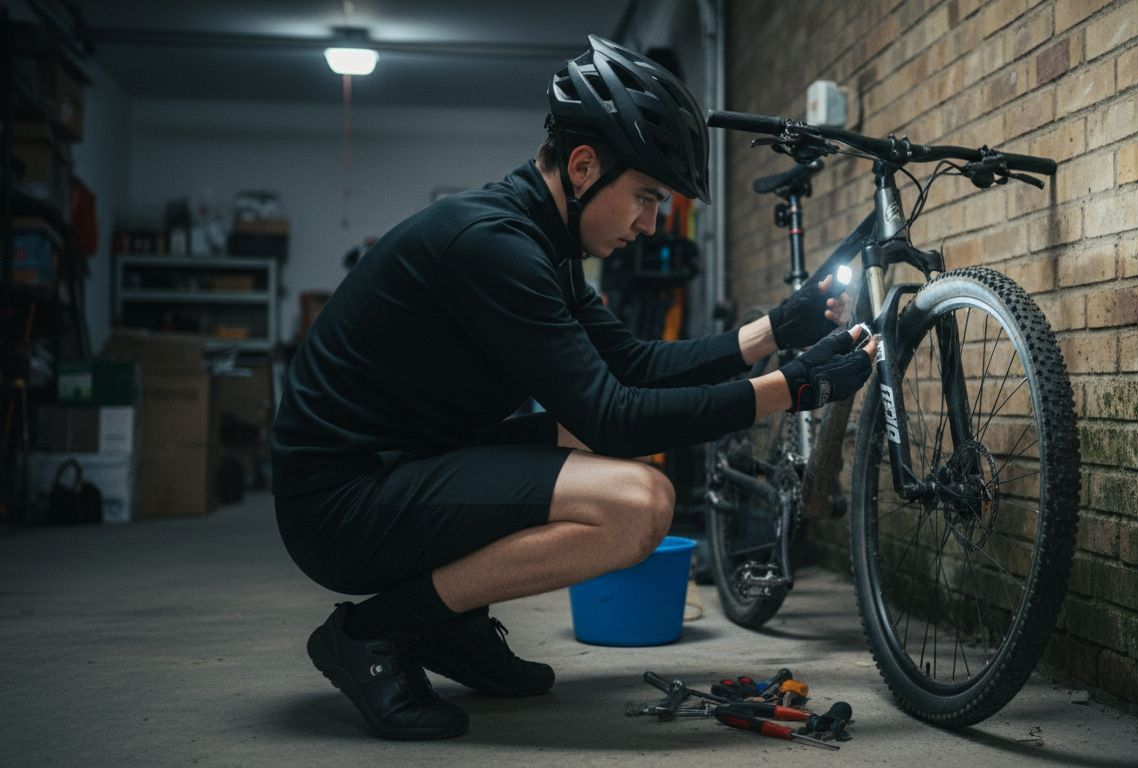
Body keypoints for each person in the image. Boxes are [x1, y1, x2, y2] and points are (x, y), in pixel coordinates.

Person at [271, 34, 877, 741]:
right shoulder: (495, 247)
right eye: (645, 197)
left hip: (404, 463)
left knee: (588, 444)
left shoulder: (544, 245)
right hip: (338, 505)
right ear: (585, 165)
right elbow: (616, 416)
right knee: (637, 504)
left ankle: (444, 626)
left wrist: (776, 328)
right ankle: (374, 634)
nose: (649, 224)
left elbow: (634, 365)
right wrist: (793, 388)